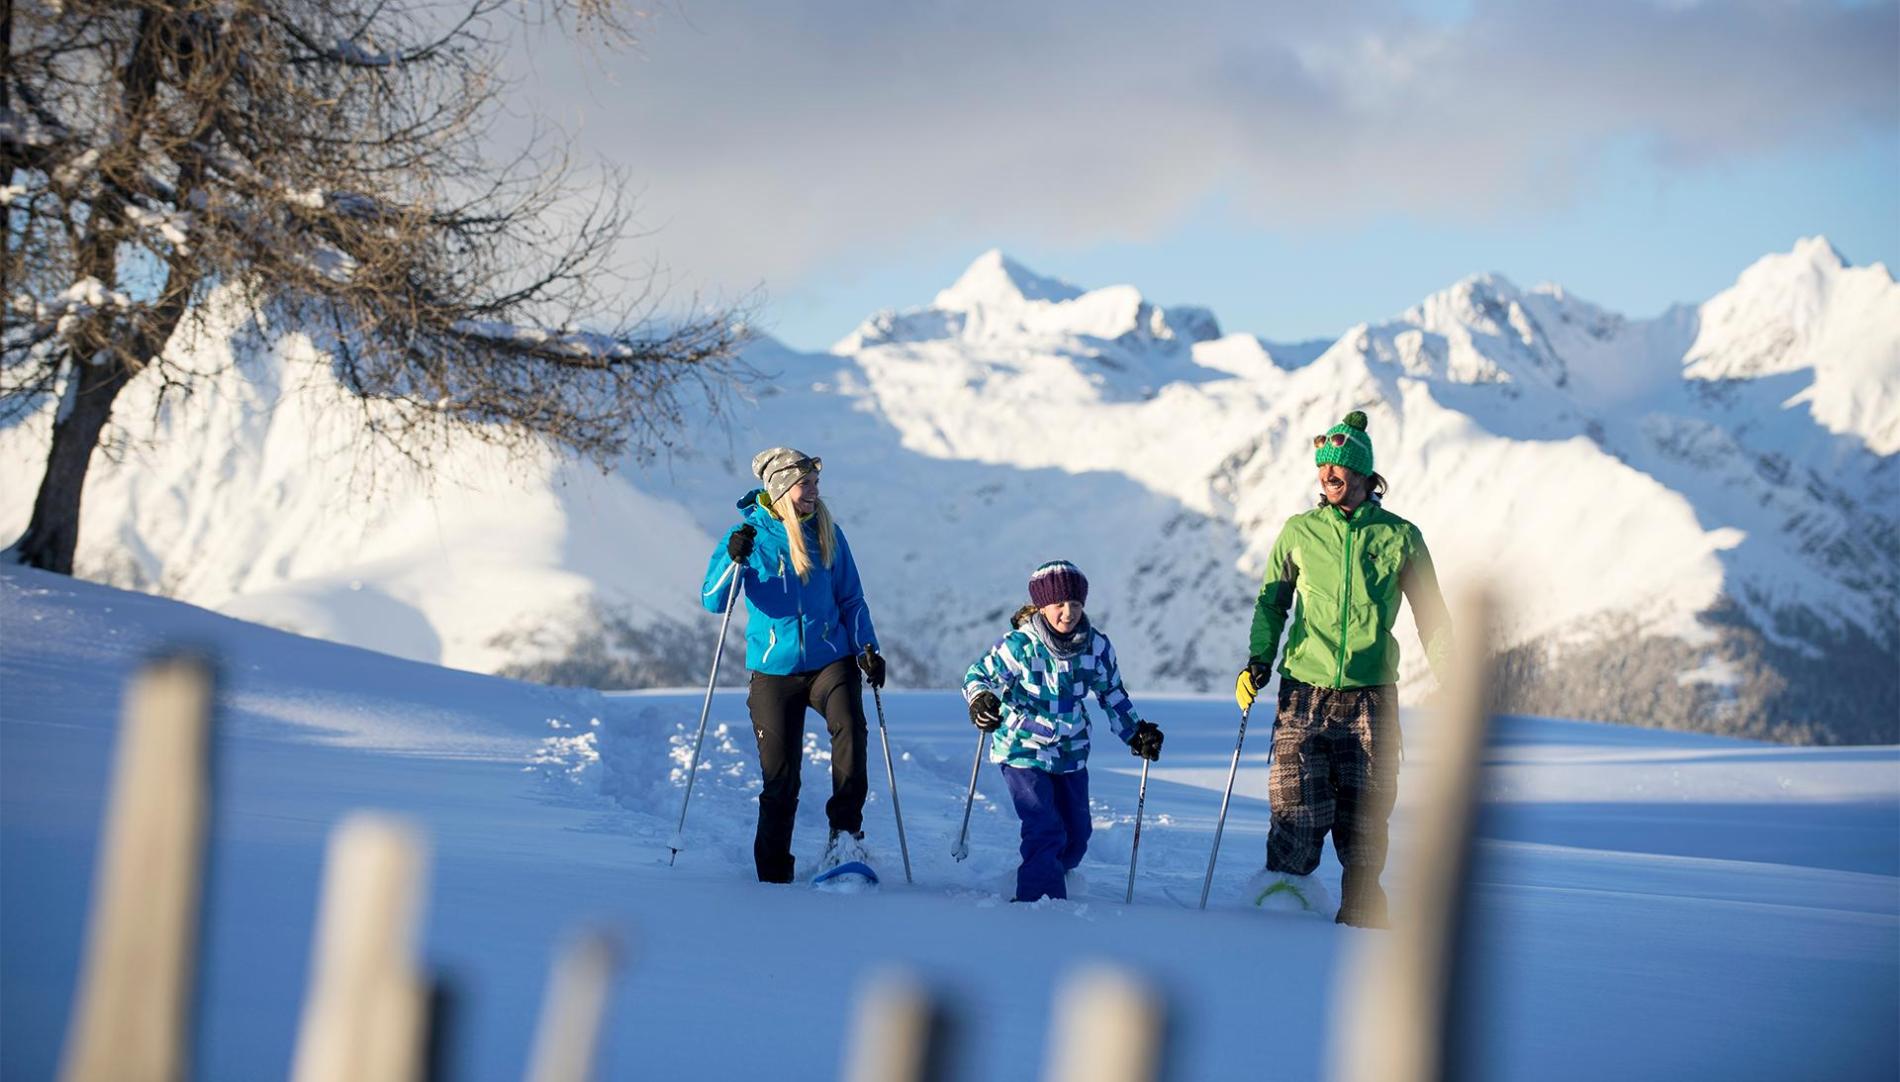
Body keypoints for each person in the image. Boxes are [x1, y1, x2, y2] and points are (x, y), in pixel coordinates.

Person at [1234, 410, 1452, 927]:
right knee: (1295, 807)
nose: (1327, 475)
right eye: (1322, 468)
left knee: (1366, 816)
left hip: (1371, 694)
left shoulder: (1400, 537)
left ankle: (1362, 912)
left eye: (1338, 468)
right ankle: (1282, 904)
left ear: (1363, 474)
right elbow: (1272, 604)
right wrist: (1258, 659)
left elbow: (1432, 615)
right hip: (1303, 690)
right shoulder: (1299, 532)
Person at [702, 447, 887, 884]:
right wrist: (734, 558)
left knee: (850, 731)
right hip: (773, 669)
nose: (814, 493)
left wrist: (867, 648)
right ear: (782, 489)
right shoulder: (748, 535)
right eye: (806, 485)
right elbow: (714, 600)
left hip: (830, 659)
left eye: (816, 484)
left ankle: (845, 836)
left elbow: (851, 598)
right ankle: (773, 873)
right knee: (781, 777)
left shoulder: (828, 531)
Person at [962, 561, 1164, 902]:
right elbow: (977, 675)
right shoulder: (1020, 645)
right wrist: (980, 700)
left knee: (1077, 834)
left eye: (1075, 603)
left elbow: (1111, 693)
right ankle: (1039, 906)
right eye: (1059, 604)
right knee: (1044, 826)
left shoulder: (1096, 647)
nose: (1068, 612)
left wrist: (1135, 732)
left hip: (1070, 750)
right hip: (1022, 746)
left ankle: (1053, 870)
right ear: (1042, 606)